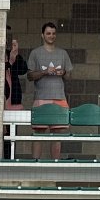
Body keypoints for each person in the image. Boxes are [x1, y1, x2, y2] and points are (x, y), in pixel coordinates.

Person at [26, 22, 71, 155]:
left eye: (53, 33)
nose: (51, 36)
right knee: (38, 132)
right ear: (42, 35)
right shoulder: (35, 53)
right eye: (48, 33)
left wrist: (63, 73)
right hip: (41, 97)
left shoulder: (63, 53)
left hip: (59, 97)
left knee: (57, 134)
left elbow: (69, 76)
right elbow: (29, 76)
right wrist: (45, 72)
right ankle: (35, 165)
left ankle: (55, 164)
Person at [4, 37, 27, 109]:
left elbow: (23, 70)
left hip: (14, 98)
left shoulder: (11, 54)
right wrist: (10, 62)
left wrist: (16, 56)